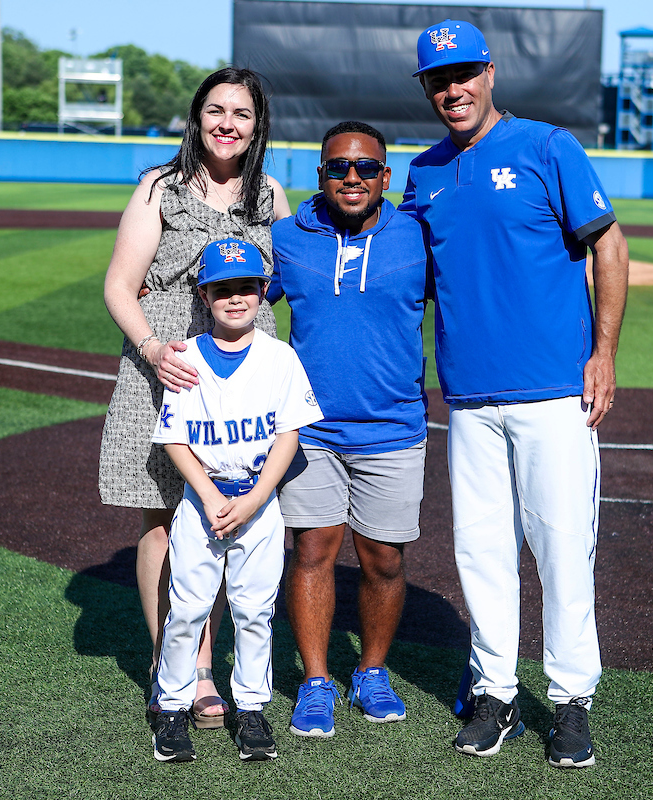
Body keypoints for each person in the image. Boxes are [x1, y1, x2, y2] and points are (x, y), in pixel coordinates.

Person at [399, 21, 630, 768]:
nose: (452, 89)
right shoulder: (422, 172)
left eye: (463, 73)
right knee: (482, 553)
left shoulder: (545, 147)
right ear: (427, 88)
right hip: (467, 399)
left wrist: (604, 353)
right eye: (438, 79)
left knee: (563, 550)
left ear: (490, 73)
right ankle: (495, 692)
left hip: (552, 393)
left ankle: (569, 702)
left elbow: (608, 244)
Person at [98, 66, 291, 732]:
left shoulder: (268, 193)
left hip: (242, 373)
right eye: (216, 110)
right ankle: (182, 669)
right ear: (196, 116)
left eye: (241, 113)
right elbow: (120, 286)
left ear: (256, 123)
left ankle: (229, 667)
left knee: (232, 515)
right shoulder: (160, 186)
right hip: (169, 367)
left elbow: (288, 278)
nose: (227, 123)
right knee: (162, 520)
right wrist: (154, 346)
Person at [268, 121, 429, 737]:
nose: (353, 177)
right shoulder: (289, 238)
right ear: (321, 176)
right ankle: (315, 681)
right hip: (310, 431)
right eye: (339, 167)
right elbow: (241, 298)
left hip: (394, 427)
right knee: (311, 551)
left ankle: (372, 671)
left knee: (383, 559)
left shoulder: (418, 238)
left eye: (366, 168)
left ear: (386, 177)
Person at [148, 238, 323, 762]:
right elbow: (175, 438)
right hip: (201, 501)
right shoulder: (186, 358)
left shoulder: (279, 358)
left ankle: (251, 709)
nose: (235, 297)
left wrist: (254, 500)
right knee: (186, 611)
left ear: (263, 291)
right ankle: (173, 706)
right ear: (204, 295)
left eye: (245, 286)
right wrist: (206, 495)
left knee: (253, 611)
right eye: (222, 288)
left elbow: (289, 434)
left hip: (258, 504)